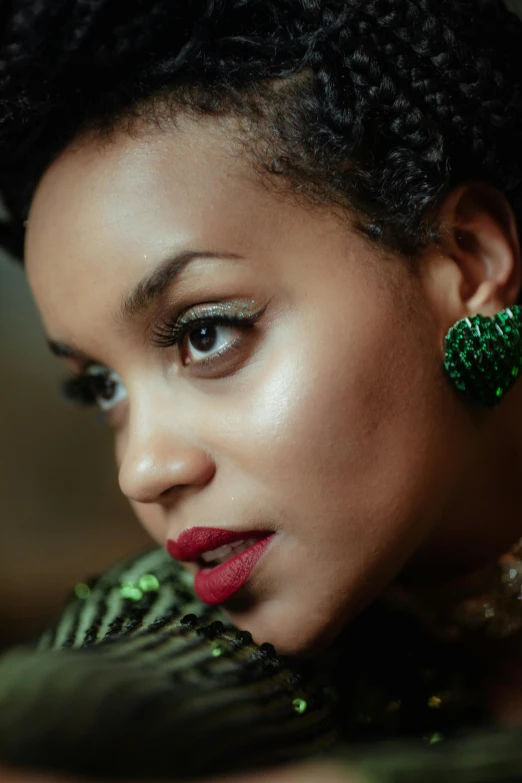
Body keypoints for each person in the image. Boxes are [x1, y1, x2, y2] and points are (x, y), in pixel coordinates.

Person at [2, 0, 522, 779]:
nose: (142, 470)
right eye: (103, 387)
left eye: (205, 333)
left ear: (469, 263)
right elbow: (112, 674)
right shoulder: (215, 603)